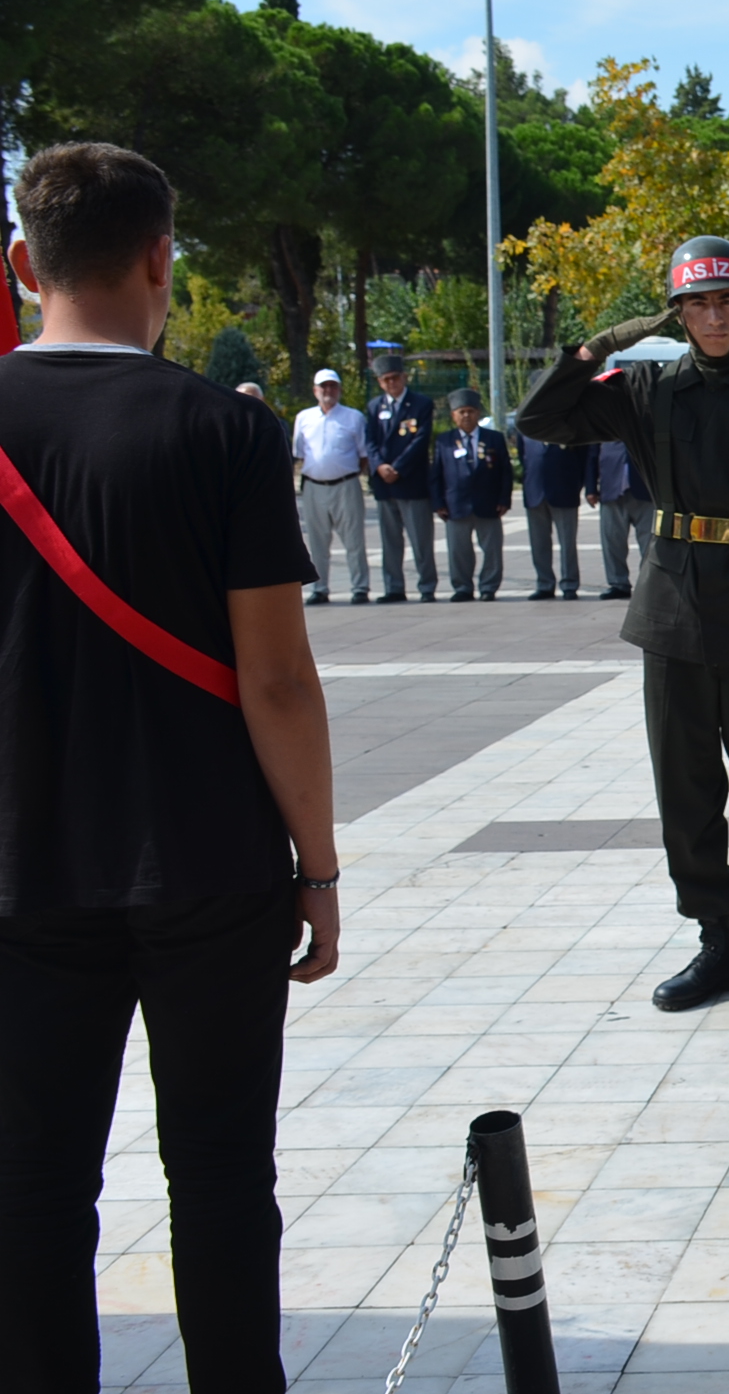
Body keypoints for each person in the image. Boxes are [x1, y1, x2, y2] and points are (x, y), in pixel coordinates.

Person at [0, 141, 339, 1392]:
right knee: (219, 1174)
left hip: (21, 867)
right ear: (161, 258)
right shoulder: (224, 430)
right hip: (208, 861)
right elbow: (277, 679)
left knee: (34, 1186)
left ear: (23, 262)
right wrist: (319, 867)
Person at [516, 235, 729, 1014]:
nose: (714, 317)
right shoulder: (644, 389)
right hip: (672, 611)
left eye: (726, 301)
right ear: (678, 314)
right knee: (684, 786)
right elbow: (541, 417)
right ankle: (714, 943)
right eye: (698, 304)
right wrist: (595, 347)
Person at [291, 368, 371, 605]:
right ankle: (320, 588)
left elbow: (364, 454)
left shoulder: (353, 417)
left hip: (346, 484)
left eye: (332, 386)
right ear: (315, 390)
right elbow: (299, 453)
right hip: (314, 486)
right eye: (323, 386)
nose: (328, 390)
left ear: (339, 389)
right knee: (317, 541)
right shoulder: (304, 418)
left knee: (354, 540)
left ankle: (360, 587)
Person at [366, 354, 437, 603]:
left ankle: (427, 586)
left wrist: (397, 468)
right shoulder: (375, 407)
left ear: (404, 377)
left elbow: (421, 441)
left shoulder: (421, 404)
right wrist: (379, 466)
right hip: (384, 484)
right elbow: (370, 441)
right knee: (390, 541)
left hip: (411, 481)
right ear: (379, 382)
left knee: (421, 540)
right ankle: (394, 587)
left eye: (395, 378)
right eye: (385, 380)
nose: (391, 383)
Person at [431, 389, 511, 601]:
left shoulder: (494, 438)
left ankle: (488, 587)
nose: (466, 415)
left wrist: (504, 499)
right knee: (458, 550)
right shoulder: (444, 441)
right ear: (453, 415)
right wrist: (438, 502)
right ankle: (462, 587)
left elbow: (505, 471)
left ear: (478, 413)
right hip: (456, 504)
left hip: (488, 503)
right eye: (461, 412)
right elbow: (436, 474)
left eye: (471, 411)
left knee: (492, 549)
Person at [516, 426, 587, 599]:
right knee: (538, 543)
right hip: (535, 492)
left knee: (567, 543)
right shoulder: (525, 428)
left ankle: (569, 584)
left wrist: (576, 484)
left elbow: (582, 457)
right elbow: (523, 457)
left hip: (564, 491)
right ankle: (544, 584)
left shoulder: (567, 426)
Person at [583, 437, 655, 599]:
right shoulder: (603, 427)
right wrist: (591, 488)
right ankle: (618, 583)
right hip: (611, 491)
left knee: (649, 543)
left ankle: (648, 584)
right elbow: (592, 455)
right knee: (612, 541)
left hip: (645, 492)